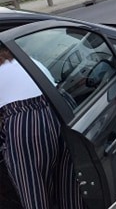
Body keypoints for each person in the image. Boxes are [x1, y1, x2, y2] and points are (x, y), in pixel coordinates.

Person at [0, 45, 84, 209]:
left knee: (34, 192)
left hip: (26, 126)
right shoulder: (23, 57)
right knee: (69, 186)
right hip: (60, 106)